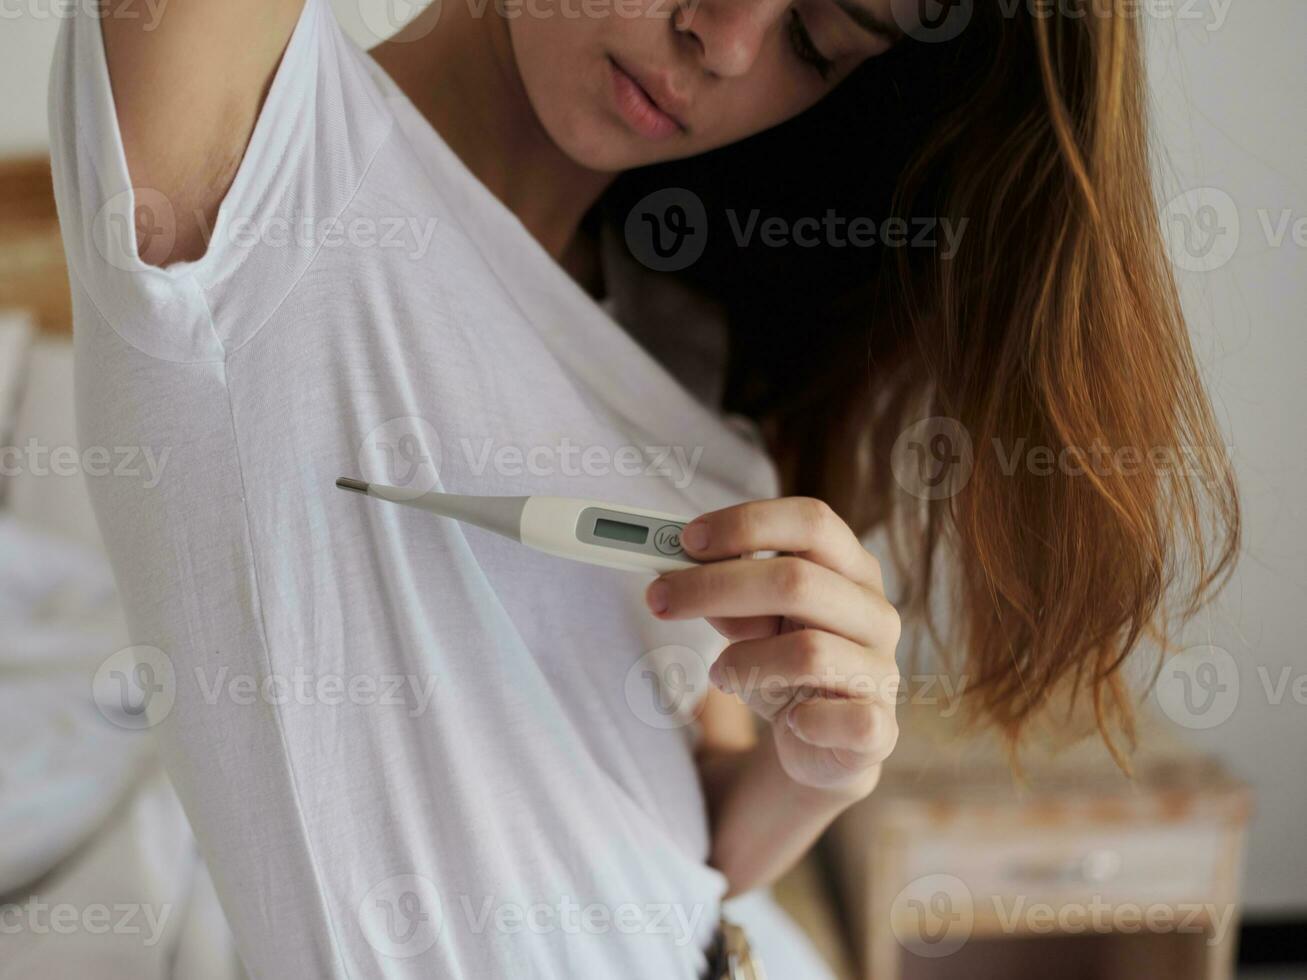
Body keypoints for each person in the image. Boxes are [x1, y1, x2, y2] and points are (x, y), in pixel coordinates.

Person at [47, 0, 1238, 977]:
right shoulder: (247, 168)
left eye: (816, 42)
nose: (723, 42)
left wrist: (818, 762)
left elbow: (698, 831)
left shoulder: (683, 344)